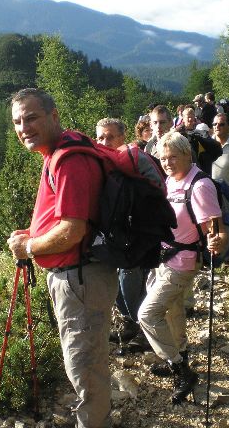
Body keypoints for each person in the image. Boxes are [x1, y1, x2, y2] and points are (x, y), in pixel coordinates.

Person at [7, 88, 118, 428]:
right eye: (17, 122)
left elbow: (72, 230)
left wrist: (29, 248)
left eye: (31, 118)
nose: (24, 127)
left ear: (53, 116)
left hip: (79, 278)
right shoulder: (60, 152)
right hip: (78, 276)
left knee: (83, 365)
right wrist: (33, 235)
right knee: (85, 360)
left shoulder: (70, 160)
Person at [138, 132, 227, 404]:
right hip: (163, 258)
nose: (167, 162)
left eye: (173, 156)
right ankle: (180, 353)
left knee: (147, 314)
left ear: (188, 155)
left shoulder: (199, 186)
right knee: (172, 311)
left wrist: (216, 241)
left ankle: (180, 369)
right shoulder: (171, 181)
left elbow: (217, 231)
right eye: (163, 158)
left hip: (183, 263)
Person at [95, 117, 152, 352]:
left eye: (110, 136)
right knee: (116, 285)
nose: (105, 141)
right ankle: (130, 323)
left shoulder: (134, 160)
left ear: (122, 137)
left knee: (132, 282)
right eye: (100, 137)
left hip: (138, 235)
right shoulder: (100, 162)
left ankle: (146, 331)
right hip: (113, 237)